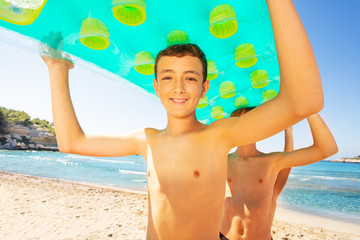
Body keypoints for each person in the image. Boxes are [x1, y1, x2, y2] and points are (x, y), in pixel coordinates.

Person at [41, 0, 325, 239]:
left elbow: (304, 101)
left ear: (203, 88)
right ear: (156, 86)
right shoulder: (146, 140)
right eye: (168, 77)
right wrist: (57, 69)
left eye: (190, 78)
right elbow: (71, 142)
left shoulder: (218, 136)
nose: (178, 87)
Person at [220, 109, 337, 240]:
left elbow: (327, 149)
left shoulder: (270, 162)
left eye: (248, 122)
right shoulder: (221, 160)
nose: (243, 127)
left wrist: (309, 110)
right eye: (237, 123)